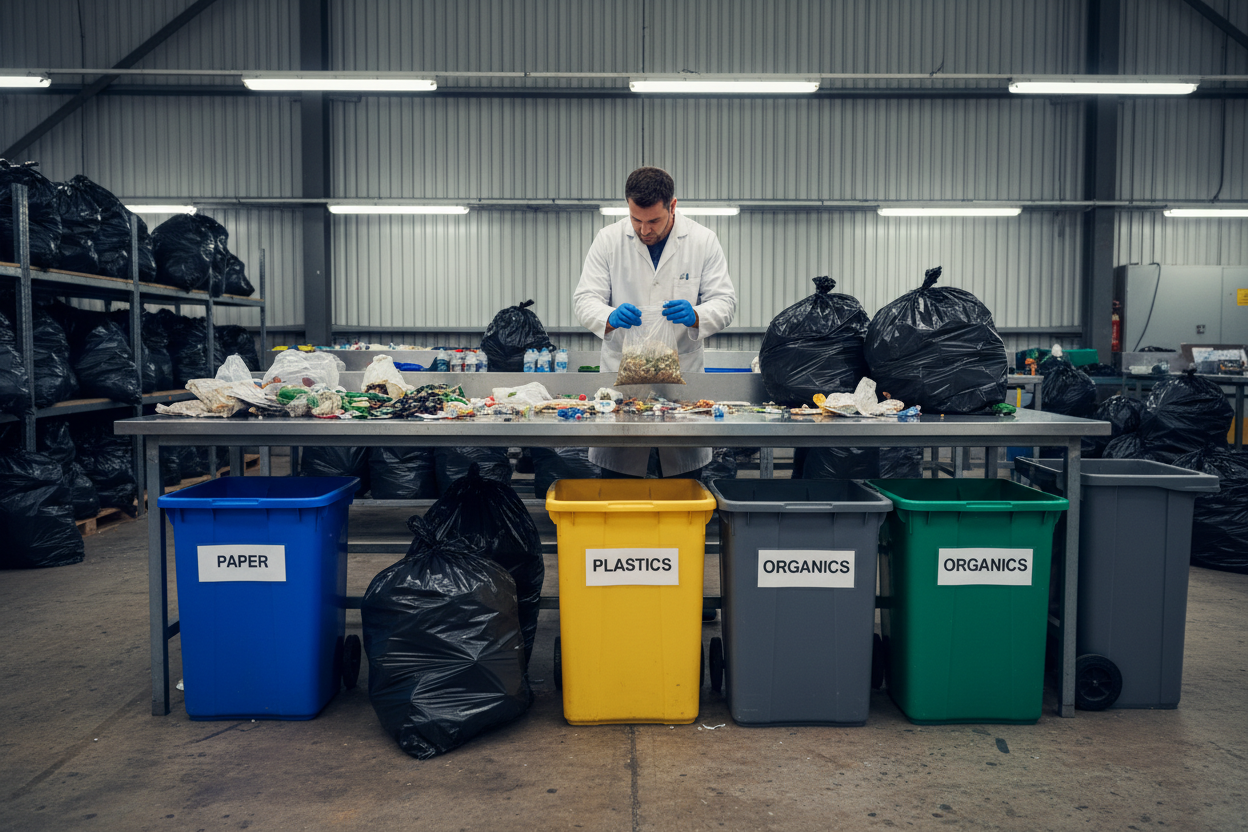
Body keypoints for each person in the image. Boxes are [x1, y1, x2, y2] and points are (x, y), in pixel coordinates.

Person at [573, 166, 738, 478]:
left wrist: (697, 315)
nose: (644, 230)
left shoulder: (702, 241)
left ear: (672, 206)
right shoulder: (608, 240)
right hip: (624, 382)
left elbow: (725, 302)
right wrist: (608, 316)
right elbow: (584, 299)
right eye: (636, 219)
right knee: (620, 487)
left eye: (653, 221)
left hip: (681, 382)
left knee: (681, 485)